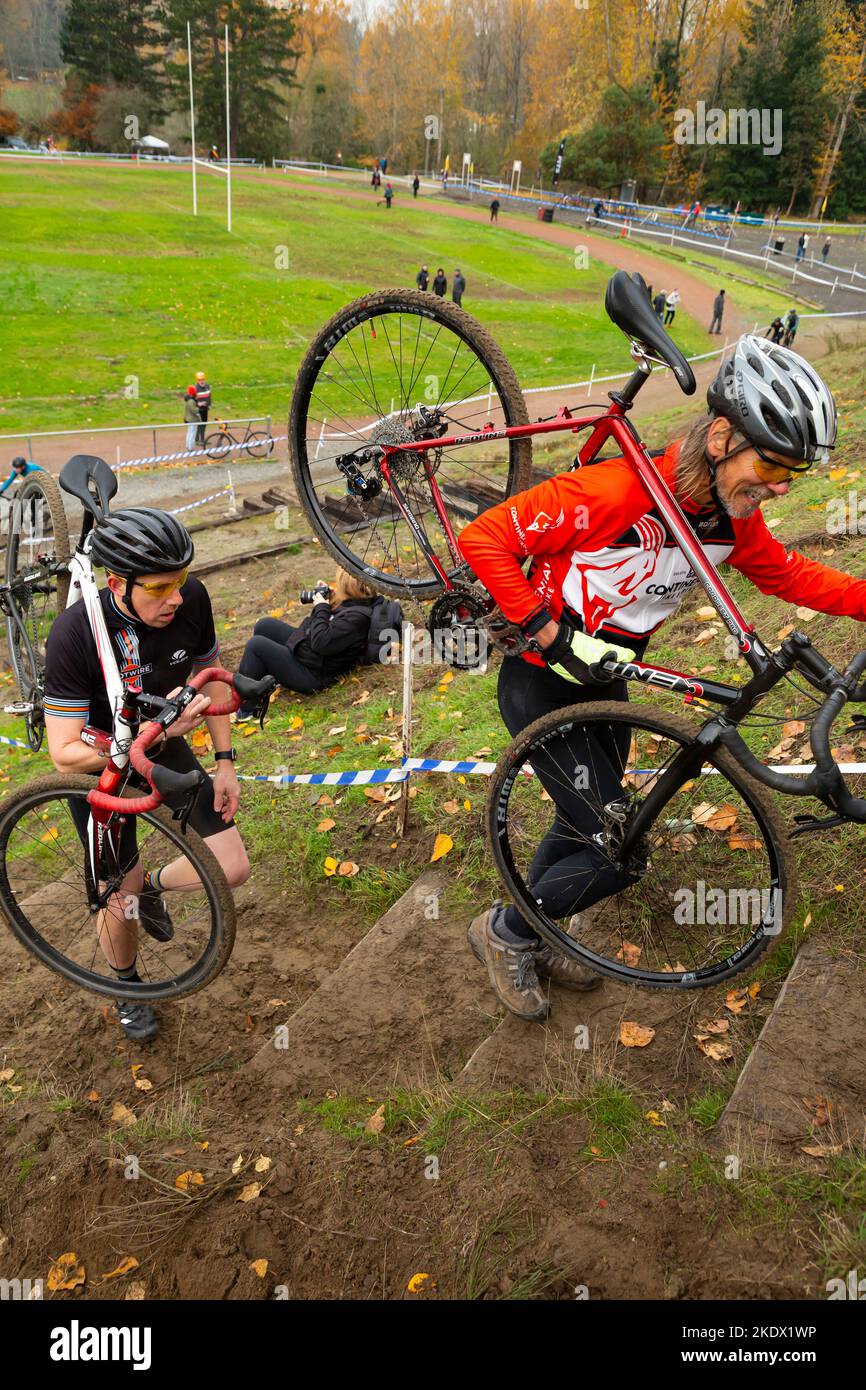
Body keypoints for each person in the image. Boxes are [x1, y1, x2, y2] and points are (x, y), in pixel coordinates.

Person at [459, 337, 853, 1020]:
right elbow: (485, 538)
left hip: (605, 690)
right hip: (540, 682)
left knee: (587, 816)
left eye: (794, 473)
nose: (781, 486)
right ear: (723, 437)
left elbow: (791, 575)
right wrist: (543, 627)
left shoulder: (729, 519)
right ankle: (507, 932)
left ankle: (536, 927)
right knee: (617, 853)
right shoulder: (617, 492)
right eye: (772, 464)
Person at [43, 508, 247, 1042]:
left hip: (162, 739)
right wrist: (144, 736)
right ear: (117, 584)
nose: (176, 598)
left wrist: (224, 762)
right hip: (101, 766)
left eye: (181, 580)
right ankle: (128, 987)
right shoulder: (74, 632)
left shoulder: (190, 597)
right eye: (159, 588)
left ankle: (154, 888)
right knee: (119, 895)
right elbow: (63, 753)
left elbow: (212, 685)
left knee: (231, 866)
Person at [234, 568, 379, 716]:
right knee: (264, 625)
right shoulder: (356, 603)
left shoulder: (356, 619)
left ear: (347, 589)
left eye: (339, 584)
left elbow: (321, 642)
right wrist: (330, 597)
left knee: (256, 645)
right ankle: (268, 682)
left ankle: (247, 707)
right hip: (310, 655)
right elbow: (327, 628)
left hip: (312, 674)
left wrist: (321, 607)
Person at [194, 370, 211, 446]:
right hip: (198, 409)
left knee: (204, 424)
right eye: (200, 380)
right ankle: (198, 440)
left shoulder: (207, 386)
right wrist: (199, 404)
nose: (202, 381)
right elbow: (192, 400)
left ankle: (201, 439)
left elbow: (209, 396)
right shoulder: (195, 388)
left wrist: (209, 404)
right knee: (199, 425)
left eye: (203, 380)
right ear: (197, 380)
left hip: (205, 409)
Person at [183, 386, 199, 453]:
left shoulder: (188, 400)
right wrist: (199, 407)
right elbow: (195, 411)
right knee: (192, 434)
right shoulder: (191, 401)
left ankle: (188, 446)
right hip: (193, 420)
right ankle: (190, 448)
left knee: (189, 433)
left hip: (189, 419)